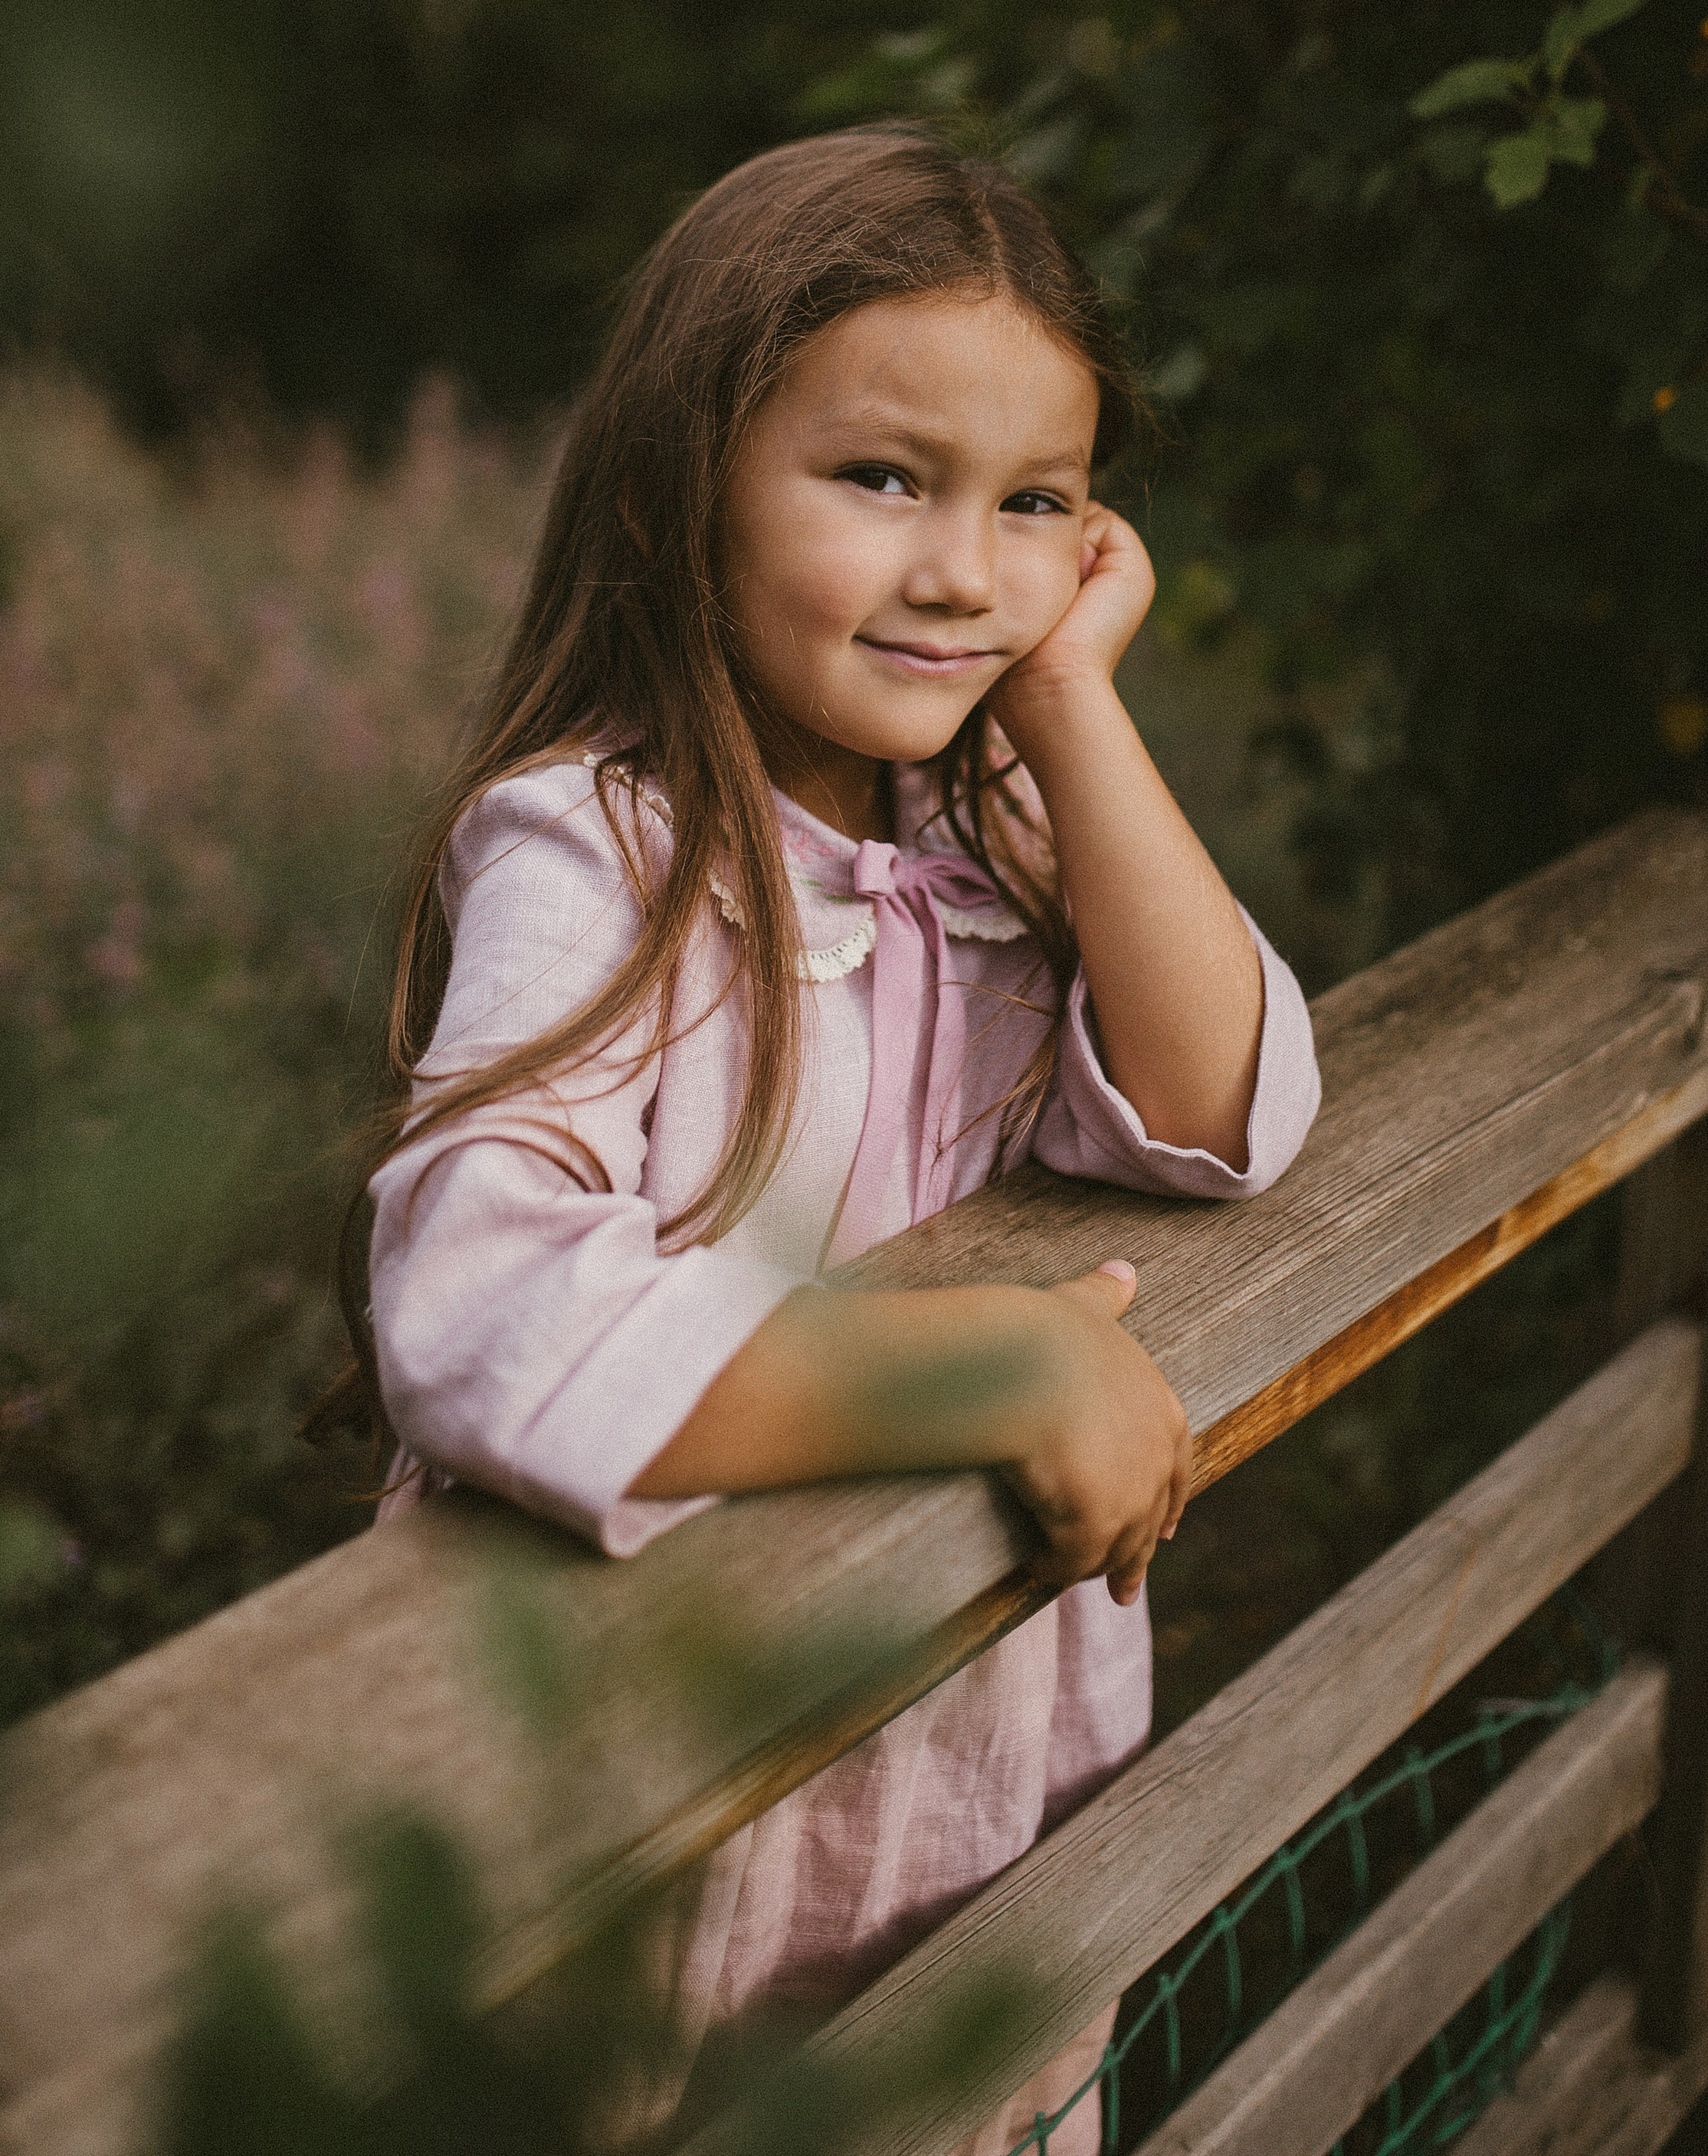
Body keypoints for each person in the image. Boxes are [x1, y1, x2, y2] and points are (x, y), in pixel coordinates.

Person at [346, 128, 1320, 2151]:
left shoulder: (992, 841)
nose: (964, 568)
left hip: (960, 1763)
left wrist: (1065, 699)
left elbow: (1225, 1111)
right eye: (886, 479)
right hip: (663, 1800)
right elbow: (472, 1291)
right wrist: (999, 1354)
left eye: (1033, 502)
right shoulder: (601, 854)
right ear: (684, 483)